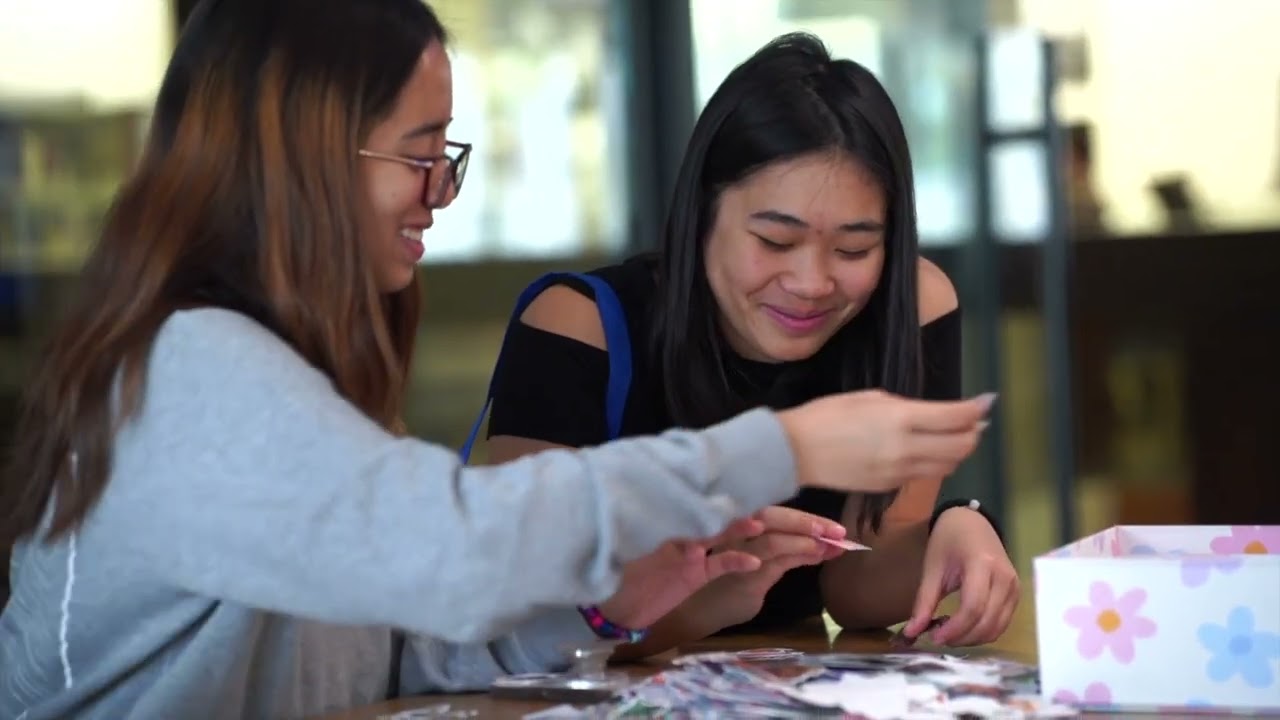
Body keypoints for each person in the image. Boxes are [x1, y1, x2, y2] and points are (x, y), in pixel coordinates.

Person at [0, 3, 993, 719]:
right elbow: (458, 550)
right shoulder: (191, 368)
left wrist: (604, 606)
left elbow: (399, 647)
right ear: (304, 152)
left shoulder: (284, 365)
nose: (439, 188)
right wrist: (776, 445)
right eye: (419, 150)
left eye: (446, 151)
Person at [476, 32, 1018, 659]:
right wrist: (707, 597)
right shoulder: (580, 324)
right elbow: (522, 628)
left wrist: (957, 529)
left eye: (854, 249)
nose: (812, 283)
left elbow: (857, 589)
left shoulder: (911, 305)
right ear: (702, 211)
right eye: (775, 242)